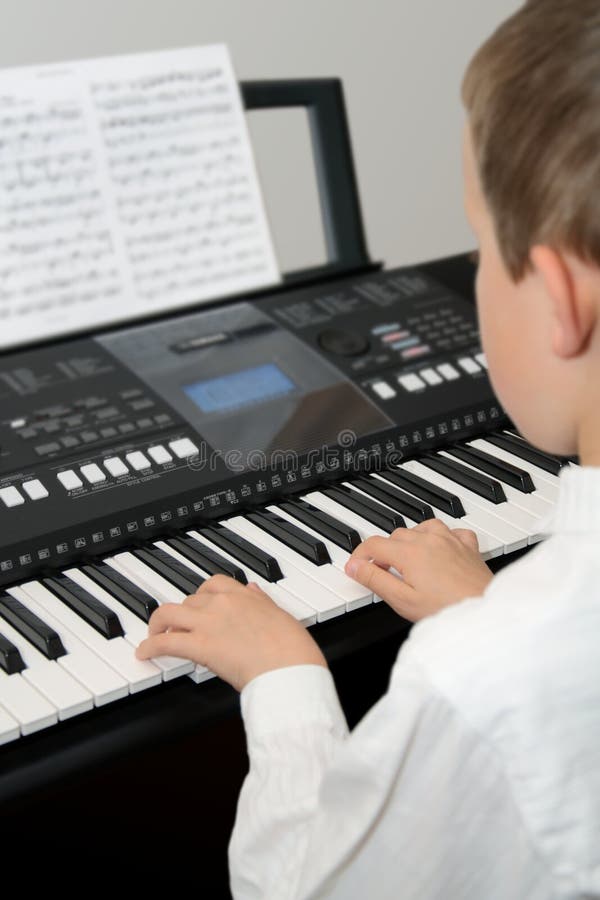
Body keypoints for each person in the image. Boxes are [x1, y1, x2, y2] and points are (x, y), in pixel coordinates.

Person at [135, 0, 600, 896]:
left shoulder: (488, 675)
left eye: (478, 248)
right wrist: (488, 610)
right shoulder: (515, 645)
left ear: (557, 297)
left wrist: (284, 678)